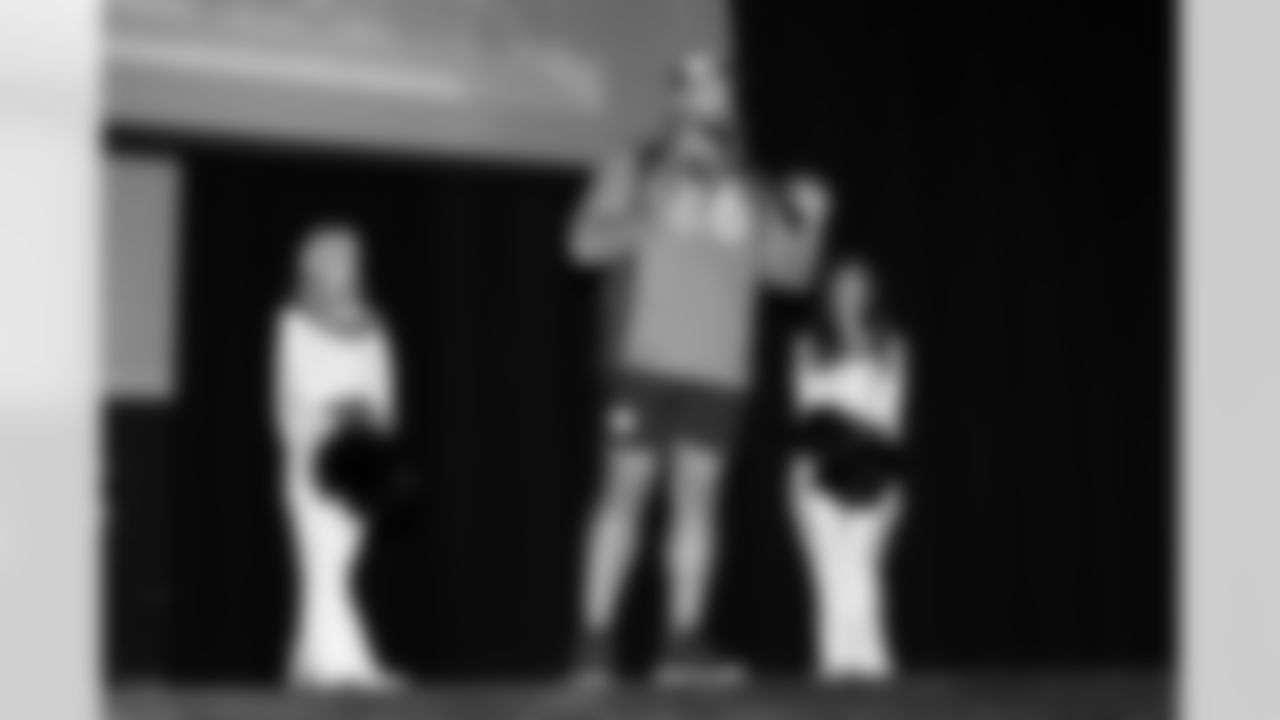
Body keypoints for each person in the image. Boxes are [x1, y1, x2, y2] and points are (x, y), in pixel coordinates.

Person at [567, 50, 834, 689]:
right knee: (624, 494)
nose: (711, 95)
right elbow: (578, 246)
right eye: (696, 85)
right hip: (643, 360)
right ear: (677, 100)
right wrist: (649, 217)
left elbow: (790, 280)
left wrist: (814, 224)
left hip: (720, 371)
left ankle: (681, 646)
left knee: (699, 502)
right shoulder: (634, 165)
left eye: (720, 84)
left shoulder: (757, 185)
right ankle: (593, 646)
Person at [271, 223, 403, 691]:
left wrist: (379, 432)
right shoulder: (294, 321)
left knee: (336, 564)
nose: (351, 266)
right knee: (325, 564)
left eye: (354, 258)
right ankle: (351, 666)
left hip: (362, 457)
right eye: (341, 257)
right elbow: (300, 389)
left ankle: (307, 665)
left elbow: (384, 390)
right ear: (315, 265)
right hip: (315, 457)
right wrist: (346, 410)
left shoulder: (372, 322)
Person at [788, 259, 911, 683]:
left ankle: (873, 665)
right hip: (818, 467)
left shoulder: (891, 345)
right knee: (828, 571)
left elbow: (892, 417)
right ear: (828, 291)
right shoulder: (807, 345)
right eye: (842, 284)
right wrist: (804, 474)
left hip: (874, 468)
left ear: (872, 291)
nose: (850, 292)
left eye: (859, 284)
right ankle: (835, 668)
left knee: (859, 564)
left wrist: (890, 479)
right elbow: (806, 411)